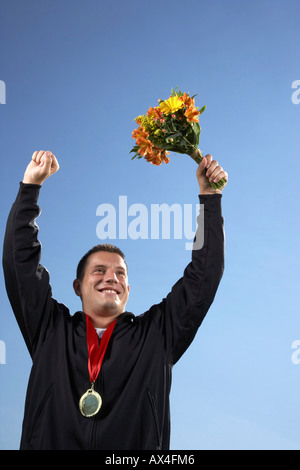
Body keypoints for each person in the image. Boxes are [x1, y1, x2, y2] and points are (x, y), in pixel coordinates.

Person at [3, 150, 228, 450]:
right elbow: (20, 265)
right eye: (99, 271)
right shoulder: (49, 330)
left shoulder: (157, 335)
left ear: (128, 289)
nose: (112, 278)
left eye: (120, 274)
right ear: (78, 286)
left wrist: (209, 199)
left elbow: (204, 276)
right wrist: (30, 187)